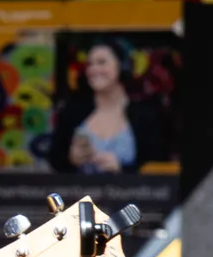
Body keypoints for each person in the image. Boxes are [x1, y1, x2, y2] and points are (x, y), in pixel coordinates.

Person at [49, 37, 164, 174]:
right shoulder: (73, 111)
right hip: (80, 194)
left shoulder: (146, 114)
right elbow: (55, 163)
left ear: (122, 66)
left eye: (102, 62)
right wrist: (71, 159)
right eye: (90, 64)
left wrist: (121, 169)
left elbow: (159, 168)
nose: (94, 69)